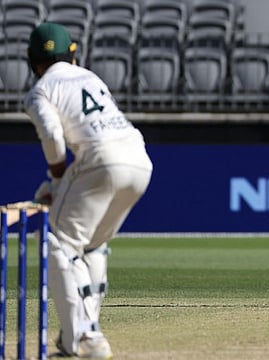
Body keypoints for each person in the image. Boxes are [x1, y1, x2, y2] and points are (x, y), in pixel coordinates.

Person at [25, 22, 153, 357]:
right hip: (139, 158)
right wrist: (62, 183)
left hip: (99, 159)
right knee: (92, 245)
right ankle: (81, 336)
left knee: (57, 242)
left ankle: (85, 338)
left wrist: (56, 178)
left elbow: (53, 138)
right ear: (72, 53)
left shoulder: (40, 91)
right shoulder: (90, 77)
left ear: (32, 60)